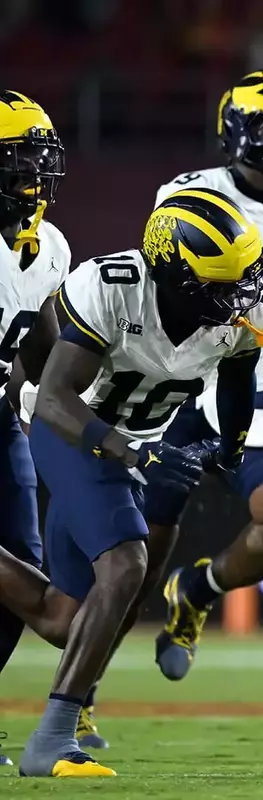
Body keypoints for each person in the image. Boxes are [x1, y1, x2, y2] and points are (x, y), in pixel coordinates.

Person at [0, 188, 263, 777]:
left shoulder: (246, 308)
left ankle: (57, 725)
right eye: (222, 287)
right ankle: (51, 738)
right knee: (127, 563)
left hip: (134, 444)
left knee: (63, 620)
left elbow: (236, 379)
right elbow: (53, 397)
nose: (242, 298)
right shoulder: (112, 286)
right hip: (76, 430)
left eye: (244, 280)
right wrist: (129, 451)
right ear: (176, 278)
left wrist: (230, 448)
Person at [105, 69, 263, 704]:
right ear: (238, 130)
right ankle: (78, 702)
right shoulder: (188, 196)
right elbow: (176, 301)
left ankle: (198, 592)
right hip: (172, 391)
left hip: (249, 390)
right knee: (132, 564)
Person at [0, 90, 68, 769]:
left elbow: (45, 346)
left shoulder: (47, 245)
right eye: (17, 157)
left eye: (40, 156)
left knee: (23, 564)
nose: (34, 172)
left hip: (1, 416)